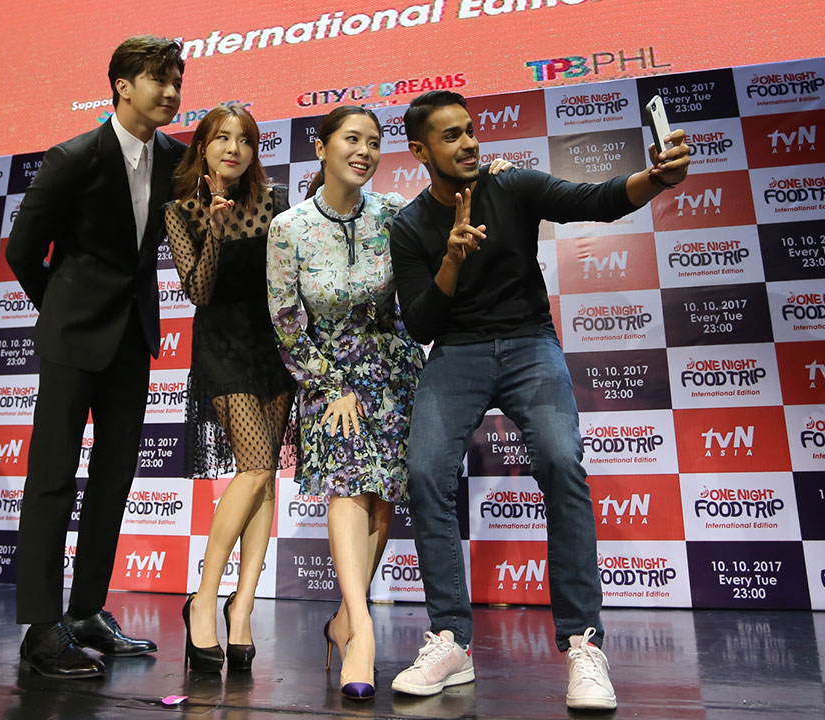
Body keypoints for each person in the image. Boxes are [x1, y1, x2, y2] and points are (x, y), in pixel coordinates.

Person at [387, 90, 690, 710]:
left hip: (529, 342)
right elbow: (420, 325)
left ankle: (583, 643)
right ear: (420, 151)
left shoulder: (513, 185)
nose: (469, 143)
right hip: (458, 350)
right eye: (450, 136)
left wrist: (656, 177)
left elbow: (597, 201)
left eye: (470, 130)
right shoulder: (409, 225)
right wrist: (451, 259)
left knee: (560, 461)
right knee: (424, 473)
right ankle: (451, 640)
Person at [6, 36, 186, 679]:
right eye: (158, 79)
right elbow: (23, 251)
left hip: (133, 339)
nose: (171, 92)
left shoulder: (178, 159)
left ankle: (85, 612)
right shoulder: (74, 156)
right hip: (71, 338)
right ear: (121, 86)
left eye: (177, 80)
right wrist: (61, 309)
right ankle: (40, 629)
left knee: (113, 480)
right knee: (52, 479)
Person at [265, 106, 424, 700]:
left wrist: (493, 175)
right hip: (329, 376)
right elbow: (286, 321)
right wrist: (330, 386)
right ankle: (363, 636)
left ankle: (341, 620)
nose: (364, 151)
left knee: (382, 501)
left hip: (395, 369)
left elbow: (447, 215)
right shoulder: (290, 227)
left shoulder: (394, 212)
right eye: (352, 139)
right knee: (349, 484)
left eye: (374, 142)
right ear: (321, 146)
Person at [165, 106, 296, 673]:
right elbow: (198, 290)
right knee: (256, 467)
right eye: (222, 138)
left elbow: (290, 277)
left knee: (263, 478)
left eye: (244, 140)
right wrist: (215, 230)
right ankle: (203, 599)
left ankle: (241, 608)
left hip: (273, 349)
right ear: (203, 146)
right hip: (221, 348)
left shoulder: (275, 201)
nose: (233, 149)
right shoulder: (181, 210)